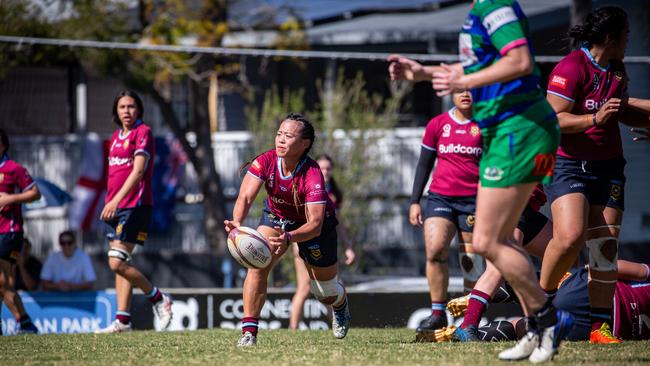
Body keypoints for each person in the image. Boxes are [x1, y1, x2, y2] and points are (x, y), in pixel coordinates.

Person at [390, 0, 573, 362]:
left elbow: (519, 61)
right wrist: (425, 73)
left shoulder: (495, 6)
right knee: (495, 242)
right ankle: (539, 325)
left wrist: (464, 80)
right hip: (505, 132)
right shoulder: (479, 12)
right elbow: (482, 64)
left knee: (491, 241)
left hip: (518, 130)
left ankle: (547, 320)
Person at [541, 6, 650, 344]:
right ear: (610, 38)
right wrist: (592, 121)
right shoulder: (570, 68)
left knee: (604, 247)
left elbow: (618, 112)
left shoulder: (616, 70)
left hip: (609, 167)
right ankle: (539, 305)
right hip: (569, 165)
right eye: (626, 35)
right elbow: (552, 120)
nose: (629, 40)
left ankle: (599, 328)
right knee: (571, 237)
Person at [225, 113, 351, 346]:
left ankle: (340, 303)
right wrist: (237, 222)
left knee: (323, 292)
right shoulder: (265, 161)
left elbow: (315, 223)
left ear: (305, 144)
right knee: (257, 264)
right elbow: (245, 196)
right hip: (277, 217)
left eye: (288, 136)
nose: (281, 140)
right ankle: (249, 333)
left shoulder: (312, 174)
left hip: (315, 228)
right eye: (279, 134)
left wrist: (290, 237)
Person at [406, 90, 483, 339]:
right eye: (460, 90)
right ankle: (438, 312)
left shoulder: (485, 124)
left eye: (471, 89)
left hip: (475, 201)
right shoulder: (437, 124)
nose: (466, 94)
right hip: (440, 198)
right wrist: (414, 201)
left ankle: (470, 319)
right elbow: (424, 163)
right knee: (435, 249)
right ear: (451, 93)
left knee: (471, 259)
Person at [95, 91, 173, 334]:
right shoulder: (116, 137)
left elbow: (138, 171)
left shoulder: (143, 132)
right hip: (116, 207)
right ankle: (123, 320)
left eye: (131, 106)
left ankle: (158, 298)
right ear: (116, 112)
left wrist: (115, 201)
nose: (126, 111)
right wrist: (111, 201)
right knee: (122, 261)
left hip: (134, 206)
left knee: (116, 262)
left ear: (138, 109)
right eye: (122, 107)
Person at [444, 259, 650, 342]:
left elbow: (623, 270)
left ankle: (478, 301)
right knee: (525, 328)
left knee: (546, 285)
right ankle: (476, 330)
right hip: (597, 330)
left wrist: (585, 270)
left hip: (590, 296)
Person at [289, 154, 356, 330]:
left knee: (330, 287)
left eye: (328, 168)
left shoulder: (333, 193)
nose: (325, 171)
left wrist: (348, 246)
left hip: (327, 244)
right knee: (304, 288)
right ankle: (292, 330)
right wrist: (296, 243)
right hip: (304, 243)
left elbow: (338, 223)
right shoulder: (303, 185)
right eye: (322, 168)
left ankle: (336, 323)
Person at [0, 128, 41, 334]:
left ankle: (25, 323)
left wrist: (9, 198)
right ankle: (24, 324)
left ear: (4, 145)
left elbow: (35, 193)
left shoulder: (13, 169)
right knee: (2, 282)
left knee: (2, 280)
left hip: (9, 231)